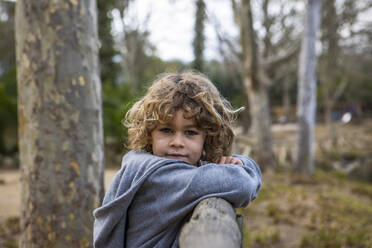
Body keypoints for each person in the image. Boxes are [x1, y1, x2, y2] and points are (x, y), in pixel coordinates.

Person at [93, 72, 262, 248]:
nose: (177, 143)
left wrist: (239, 163)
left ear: (207, 137)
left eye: (190, 132)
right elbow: (244, 184)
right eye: (166, 130)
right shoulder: (158, 176)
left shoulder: (168, 168)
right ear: (150, 133)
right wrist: (243, 167)